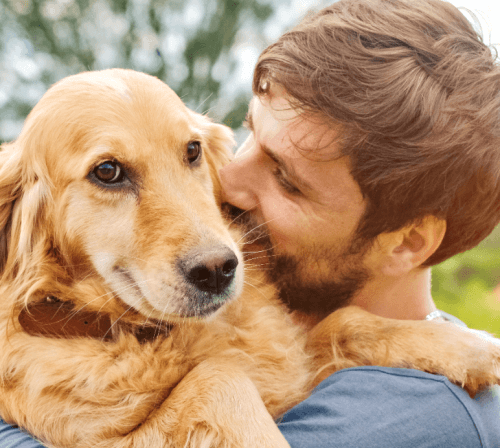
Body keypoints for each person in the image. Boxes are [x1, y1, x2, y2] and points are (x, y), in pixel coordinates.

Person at [1, 0, 499, 446]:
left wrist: (217, 394)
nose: (228, 183)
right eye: (248, 136)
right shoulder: (256, 318)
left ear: (408, 242)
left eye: (287, 180)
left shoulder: (423, 418)